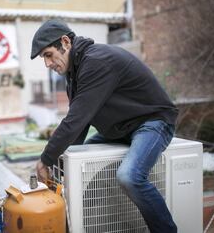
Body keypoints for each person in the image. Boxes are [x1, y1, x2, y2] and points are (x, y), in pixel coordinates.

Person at [30, 19, 179, 233]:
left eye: (48, 55)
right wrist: (61, 167)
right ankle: (83, 225)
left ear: (65, 42)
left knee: (129, 177)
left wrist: (46, 160)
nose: (47, 64)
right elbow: (80, 125)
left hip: (153, 122)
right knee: (81, 165)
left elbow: (76, 120)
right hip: (123, 129)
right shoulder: (74, 73)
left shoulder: (97, 61)